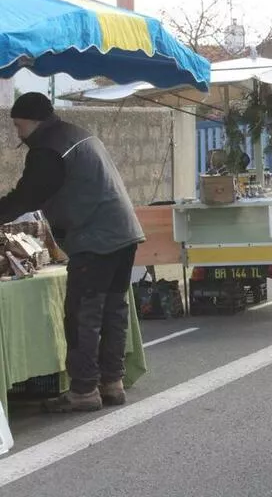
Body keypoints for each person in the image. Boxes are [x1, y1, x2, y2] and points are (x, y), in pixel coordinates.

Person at [0, 92, 145, 412]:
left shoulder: (48, 148)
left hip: (96, 239)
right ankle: (112, 383)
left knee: (83, 315)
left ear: (31, 120)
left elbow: (27, 196)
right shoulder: (75, 134)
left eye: (17, 125)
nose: (17, 133)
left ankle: (83, 391)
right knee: (112, 310)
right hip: (124, 233)